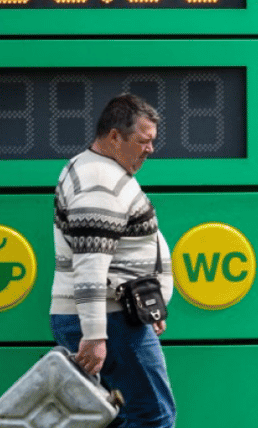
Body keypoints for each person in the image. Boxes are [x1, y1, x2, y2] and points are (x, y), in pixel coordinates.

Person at [51, 94, 175, 428]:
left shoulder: (100, 170)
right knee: (152, 416)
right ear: (115, 137)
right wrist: (95, 335)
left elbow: (124, 250)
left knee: (121, 416)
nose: (150, 149)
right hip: (111, 320)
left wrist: (151, 303)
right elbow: (90, 266)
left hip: (119, 316)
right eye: (143, 141)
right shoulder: (98, 182)